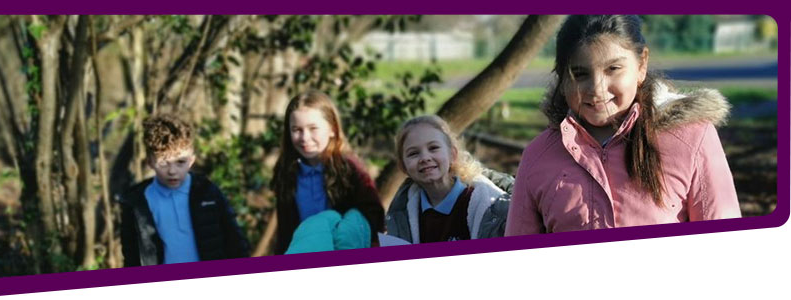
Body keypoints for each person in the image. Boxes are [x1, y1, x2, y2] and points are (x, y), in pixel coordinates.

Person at [506, 15, 741, 236]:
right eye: (579, 74)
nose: (597, 89)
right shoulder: (537, 157)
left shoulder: (693, 139)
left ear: (641, 65)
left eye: (613, 69)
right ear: (562, 77)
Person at [120, 114, 250, 266]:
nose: (172, 171)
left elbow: (236, 242)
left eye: (181, 162)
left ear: (192, 160)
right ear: (150, 162)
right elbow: (131, 256)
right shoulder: (136, 203)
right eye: (164, 163)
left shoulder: (208, 192)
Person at [271, 90, 385, 254]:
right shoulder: (286, 171)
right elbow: (285, 232)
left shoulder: (349, 169)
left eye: (313, 128)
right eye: (296, 129)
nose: (305, 137)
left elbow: (374, 217)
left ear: (332, 129)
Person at [385, 115, 511, 244]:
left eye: (433, 148)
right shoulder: (402, 213)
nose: (425, 158)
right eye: (413, 153)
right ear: (403, 166)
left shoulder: (488, 206)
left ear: (453, 154)